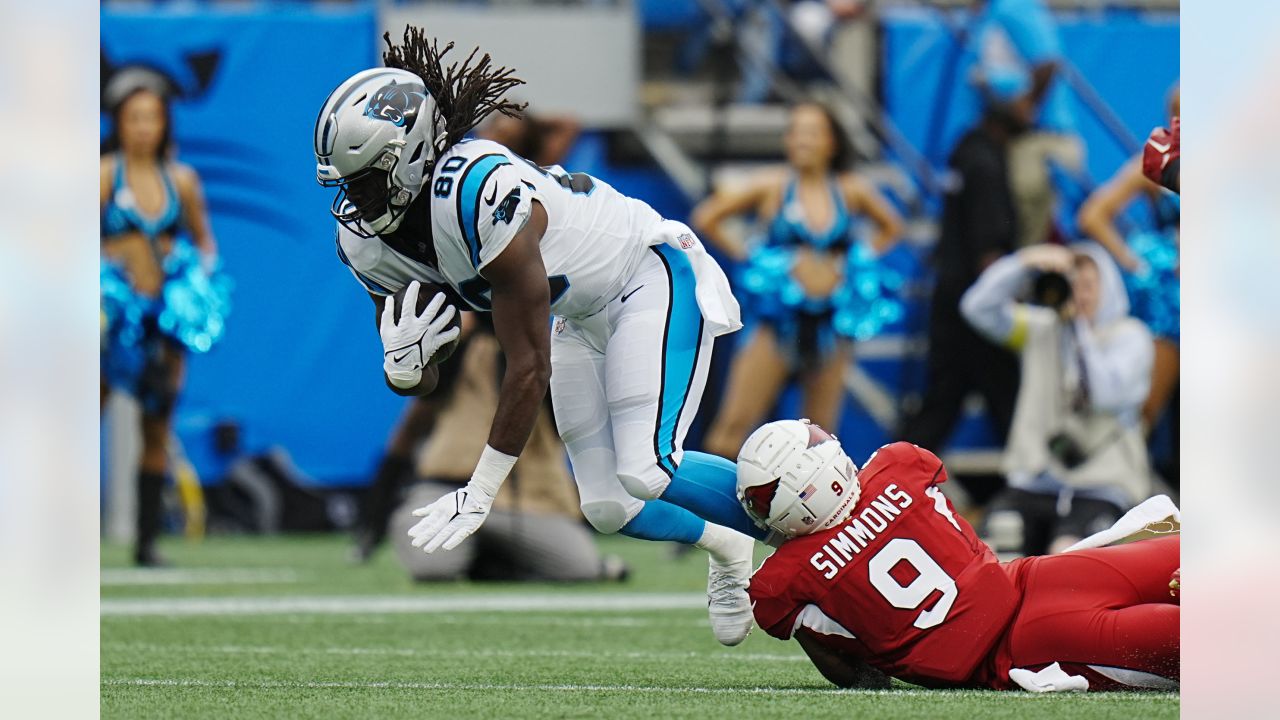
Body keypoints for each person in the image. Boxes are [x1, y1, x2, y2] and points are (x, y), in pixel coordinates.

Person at [314, 28, 763, 645]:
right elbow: (425, 377)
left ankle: (812, 521)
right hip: (579, 314)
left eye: (363, 181)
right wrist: (403, 369)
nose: (354, 202)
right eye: (345, 184)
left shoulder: (477, 191)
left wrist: (480, 492)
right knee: (608, 507)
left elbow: (529, 367)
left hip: (648, 272)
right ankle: (732, 547)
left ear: (412, 157)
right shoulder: (365, 242)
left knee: (649, 468)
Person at [737, 419, 1179, 691]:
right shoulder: (899, 464)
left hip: (1023, 638)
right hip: (1034, 591)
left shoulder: (785, 582)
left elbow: (862, 677)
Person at [692, 102, 901, 459]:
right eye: (797, 132)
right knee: (734, 425)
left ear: (832, 142)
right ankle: (716, 511)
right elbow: (707, 216)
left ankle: (808, 513)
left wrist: (858, 261)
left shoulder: (850, 190)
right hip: (776, 325)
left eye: (813, 132)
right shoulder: (771, 185)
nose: (803, 140)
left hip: (830, 327)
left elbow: (892, 226)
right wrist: (751, 256)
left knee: (822, 441)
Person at [386, 316, 627, 582]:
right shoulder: (456, 344)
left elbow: (575, 423)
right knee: (433, 567)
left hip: (528, 499)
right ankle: (489, 558)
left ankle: (497, 561)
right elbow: (413, 419)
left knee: (579, 568)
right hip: (448, 489)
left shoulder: (550, 349)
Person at [961, 244, 1154, 555]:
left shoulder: (1131, 336)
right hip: (1034, 481)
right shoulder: (1041, 329)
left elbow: (1104, 393)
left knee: (1068, 556)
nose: (1079, 296)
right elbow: (976, 308)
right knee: (993, 551)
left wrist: (1077, 329)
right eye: (1072, 285)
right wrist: (1023, 262)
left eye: (1088, 286)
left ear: (1109, 287)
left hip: (1102, 485)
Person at [101, 71, 220, 567]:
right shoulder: (105, 174)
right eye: (134, 118)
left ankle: (146, 542)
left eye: (152, 117)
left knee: (157, 424)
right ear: (119, 124)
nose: (144, 127)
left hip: (163, 325)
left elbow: (206, 243)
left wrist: (194, 283)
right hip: (111, 322)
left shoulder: (183, 181)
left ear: (165, 123)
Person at [898, 99, 1024, 456]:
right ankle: (1036, 485)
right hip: (976, 306)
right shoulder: (984, 162)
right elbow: (990, 247)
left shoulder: (964, 151)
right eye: (1026, 101)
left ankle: (897, 474)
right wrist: (1004, 301)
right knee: (1010, 400)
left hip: (950, 297)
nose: (1032, 109)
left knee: (944, 399)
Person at [1077, 88, 1180, 433]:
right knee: (1147, 406)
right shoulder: (1154, 164)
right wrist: (1137, 260)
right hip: (1171, 303)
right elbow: (1093, 214)